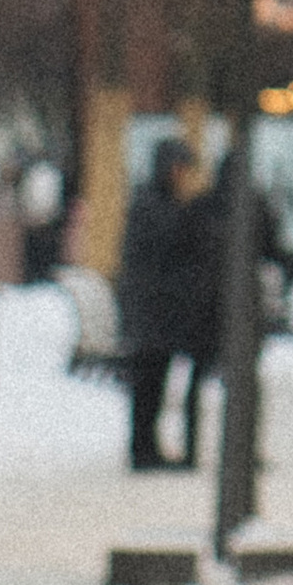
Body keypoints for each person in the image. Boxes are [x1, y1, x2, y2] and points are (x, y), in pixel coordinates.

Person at [116, 137, 214, 471]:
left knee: (155, 383)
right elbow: (166, 248)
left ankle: (147, 447)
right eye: (180, 168)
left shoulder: (157, 202)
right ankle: (142, 450)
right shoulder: (153, 205)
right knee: (148, 383)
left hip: (157, 311)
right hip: (151, 311)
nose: (183, 175)